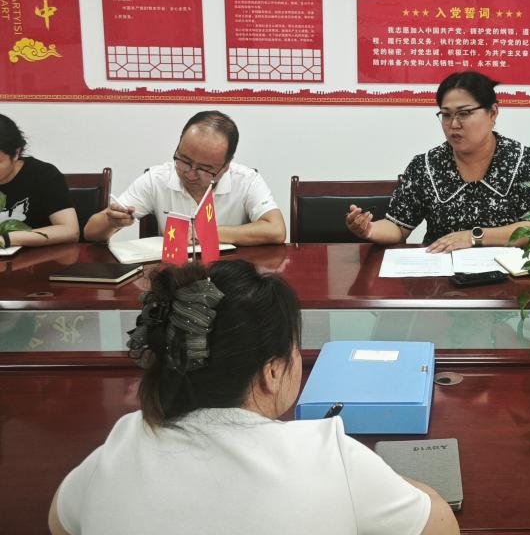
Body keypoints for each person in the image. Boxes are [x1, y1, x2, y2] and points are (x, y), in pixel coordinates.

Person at [48, 260, 458, 535]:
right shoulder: (326, 454)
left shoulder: (121, 445)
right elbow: (441, 526)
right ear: (272, 372)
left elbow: (59, 522)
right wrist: (386, 477)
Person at [346, 71, 530, 253]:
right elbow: (398, 227)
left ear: (493, 113)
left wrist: (473, 237)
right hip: (441, 273)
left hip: (507, 273)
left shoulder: (523, 159)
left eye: (464, 113)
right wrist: (369, 229)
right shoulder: (426, 165)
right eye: (446, 115)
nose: (454, 124)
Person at [84, 110, 286, 246]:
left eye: (205, 169)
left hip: (230, 277)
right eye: (184, 161)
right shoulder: (157, 179)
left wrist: (202, 232)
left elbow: (276, 230)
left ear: (226, 165)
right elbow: (91, 233)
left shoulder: (246, 180)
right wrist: (111, 221)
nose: (190, 174)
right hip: (173, 278)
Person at [0, 114, 79, 247]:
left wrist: (6, 239)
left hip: (39, 257)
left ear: (16, 153)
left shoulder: (44, 175)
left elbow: (70, 231)